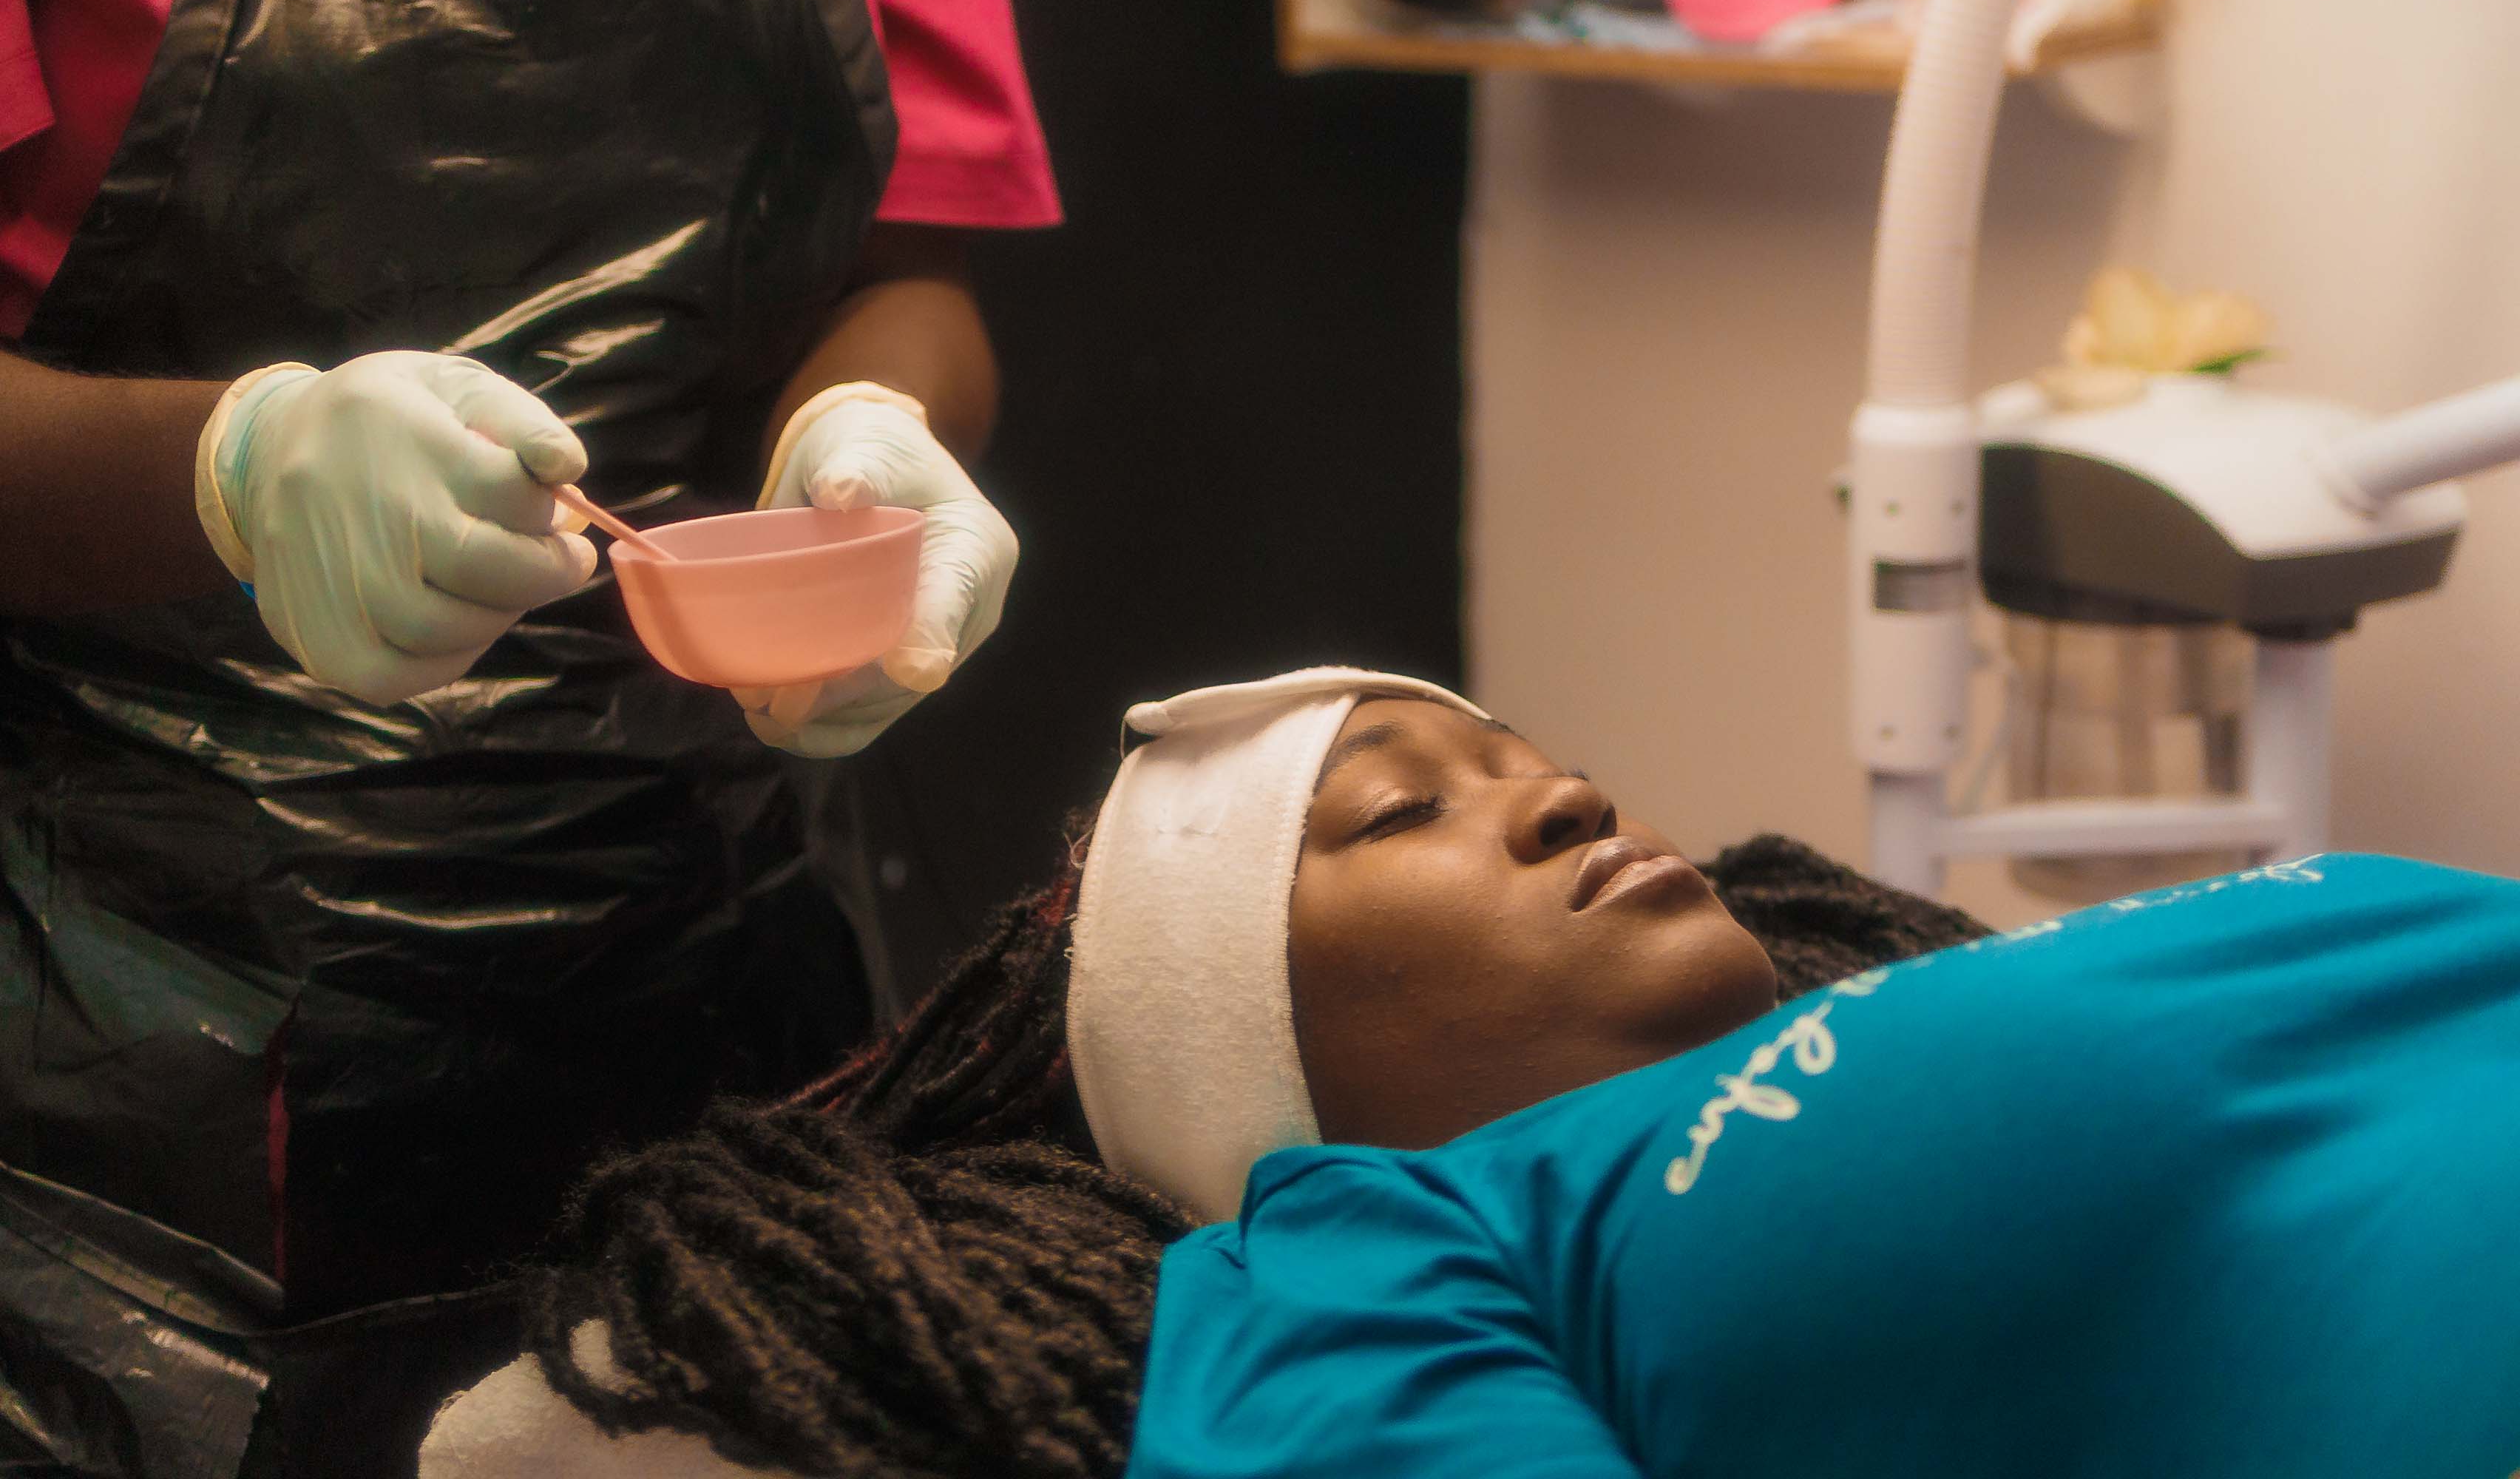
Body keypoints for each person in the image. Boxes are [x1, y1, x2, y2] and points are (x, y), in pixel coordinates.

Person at [432, 666, 2520, 1478]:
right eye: (1399, 810)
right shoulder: (1358, 1251)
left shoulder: (1923, 993)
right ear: (1249, 1043)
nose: (1568, 793)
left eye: (1532, 756)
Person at [0, 0, 1048, 1357]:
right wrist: (232, 467)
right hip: (116, 1002)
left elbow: (912, 276)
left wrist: (872, 427)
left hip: (705, 948)